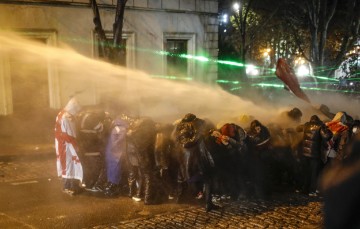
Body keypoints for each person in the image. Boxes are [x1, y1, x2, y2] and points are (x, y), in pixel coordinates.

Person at [54, 97, 83, 196]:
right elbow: (69, 134)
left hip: (66, 143)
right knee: (67, 165)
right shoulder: (65, 117)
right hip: (65, 145)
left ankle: (73, 185)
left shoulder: (65, 114)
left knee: (71, 164)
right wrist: (75, 144)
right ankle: (67, 186)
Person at [299, 115, 332, 196]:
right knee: (314, 173)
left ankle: (304, 190)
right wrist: (328, 129)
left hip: (305, 153)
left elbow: (297, 128)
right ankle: (312, 191)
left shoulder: (306, 125)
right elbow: (327, 136)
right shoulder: (320, 126)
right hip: (314, 154)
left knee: (307, 172)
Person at [103, 117, 129, 196]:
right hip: (117, 153)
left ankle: (110, 184)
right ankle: (113, 187)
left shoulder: (115, 128)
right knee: (116, 169)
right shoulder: (122, 129)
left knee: (111, 168)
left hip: (111, 152)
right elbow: (120, 140)